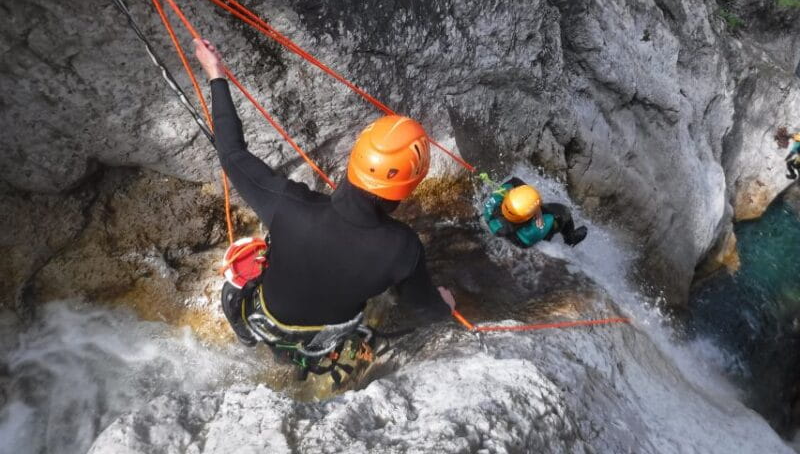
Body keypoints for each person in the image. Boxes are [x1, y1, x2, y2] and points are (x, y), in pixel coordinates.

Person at [192, 38, 455, 354]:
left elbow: (232, 154)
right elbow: (426, 309)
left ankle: (258, 331)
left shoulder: (288, 207)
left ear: (354, 157)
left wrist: (215, 74)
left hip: (269, 316)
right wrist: (446, 305)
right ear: (407, 187)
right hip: (328, 337)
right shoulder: (403, 249)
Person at [483, 177, 587, 248]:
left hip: (510, 225)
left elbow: (514, 181)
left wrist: (525, 193)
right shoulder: (530, 232)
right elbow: (555, 216)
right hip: (524, 239)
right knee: (563, 212)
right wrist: (538, 209)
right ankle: (571, 240)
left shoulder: (492, 205)